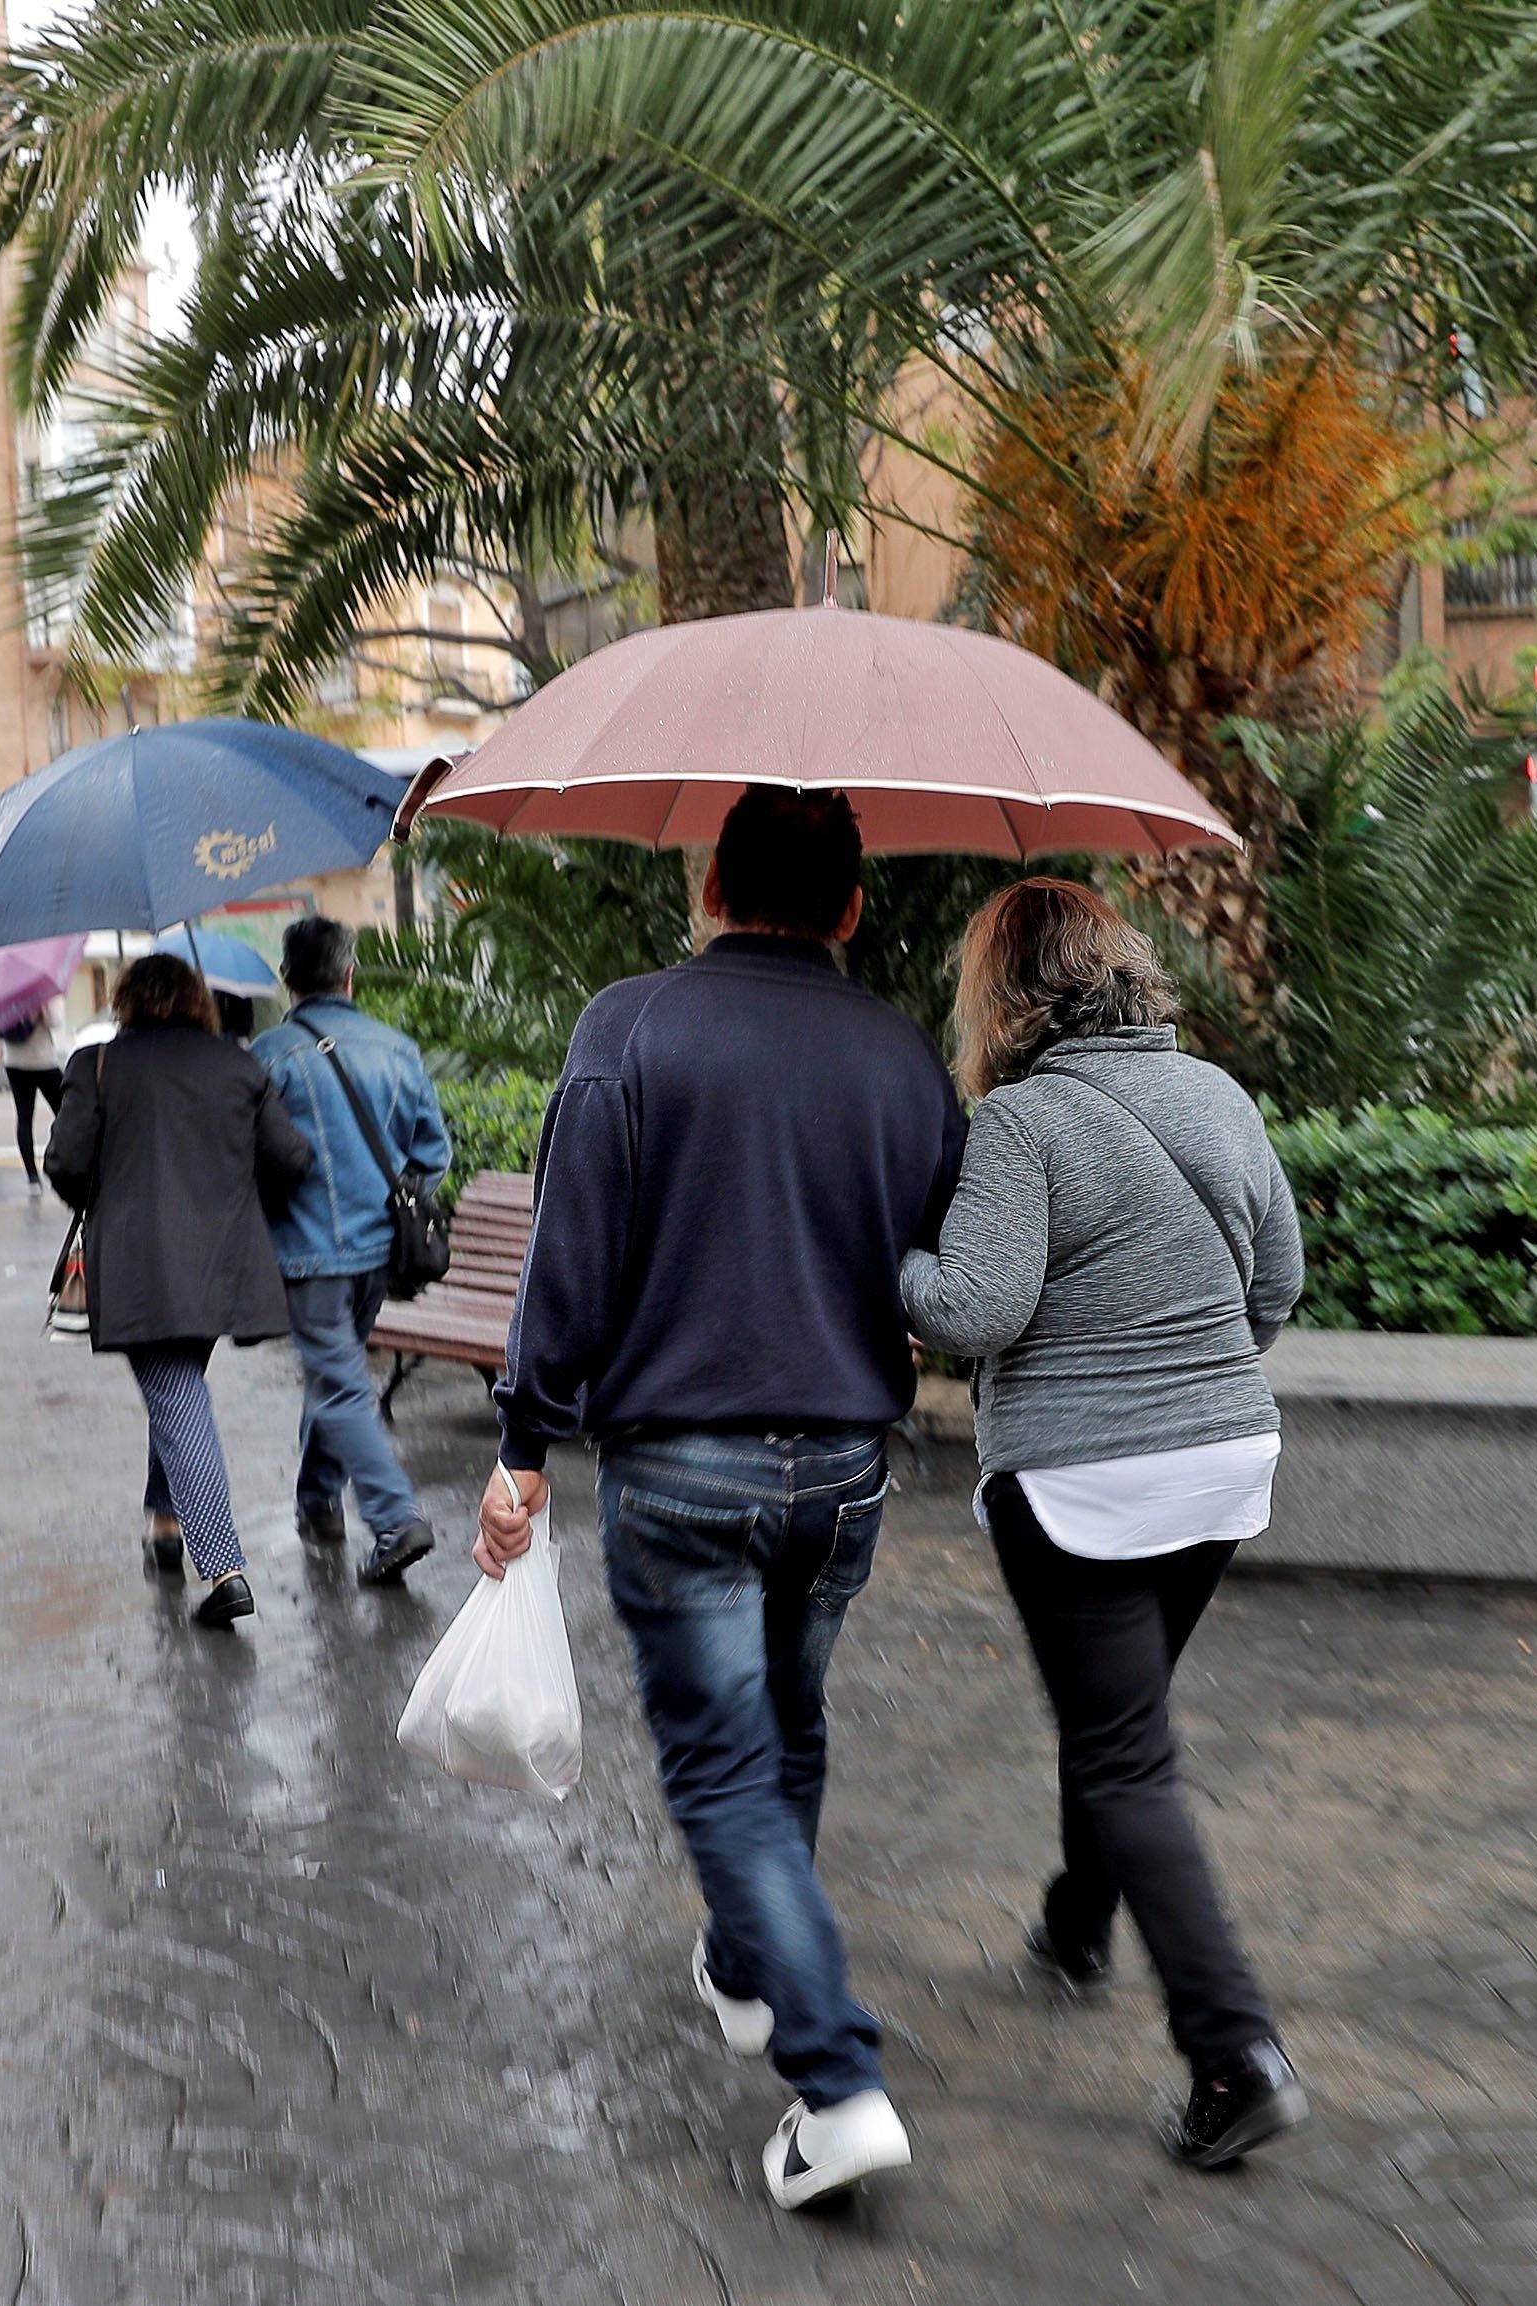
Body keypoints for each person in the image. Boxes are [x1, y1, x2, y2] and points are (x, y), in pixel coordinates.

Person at [475, 786, 964, 2210]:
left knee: (724, 1772)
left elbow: (568, 1255)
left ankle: (836, 2077)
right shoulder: (903, 1057)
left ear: (707, 882)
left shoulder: (630, 1027)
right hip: (844, 1469)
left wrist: (523, 1444)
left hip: (682, 1466)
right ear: (853, 909)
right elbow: (936, 1257)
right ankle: (751, 1964)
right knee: (788, 1725)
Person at [897, 877, 1311, 2171]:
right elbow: (1278, 1284)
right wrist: (1194, 1381)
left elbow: (970, 1311)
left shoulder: (1018, 1125)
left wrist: (881, 1255)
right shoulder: (1219, 1097)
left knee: (1127, 1753)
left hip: (1084, 1485)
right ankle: (1078, 1919)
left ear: (1004, 997)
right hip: (1224, 1467)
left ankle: (1234, 2050)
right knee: (1118, 1714)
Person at [47, 952, 315, 1629]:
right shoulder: (238, 1064)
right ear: (198, 999)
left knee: (176, 1395)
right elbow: (289, 1159)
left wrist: (105, 1191)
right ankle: (165, 1522)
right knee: (178, 1386)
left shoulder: (97, 1066)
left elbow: (67, 1165)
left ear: (127, 1002)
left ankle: (224, 1568)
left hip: (139, 1266)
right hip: (221, 1263)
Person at [251, 915, 453, 1586]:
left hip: (310, 1256)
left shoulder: (268, 1055)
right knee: (334, 1375)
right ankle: (317, 1502)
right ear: (349, 975)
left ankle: (395, 1519)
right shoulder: (396, 1048)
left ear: (287, 980)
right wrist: (395, 1198)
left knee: (338, 1387)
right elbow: (433, 1152)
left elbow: (253, 1156)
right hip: (379, 1257)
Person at [0, 1006, 69, 1193]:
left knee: (24, 1118)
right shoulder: (39, 991)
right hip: (42, 1060)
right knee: (66, 1112)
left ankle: (32, 1177)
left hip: (14, 1062)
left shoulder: (6, 995)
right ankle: (68, 1161)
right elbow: (55, 1021)